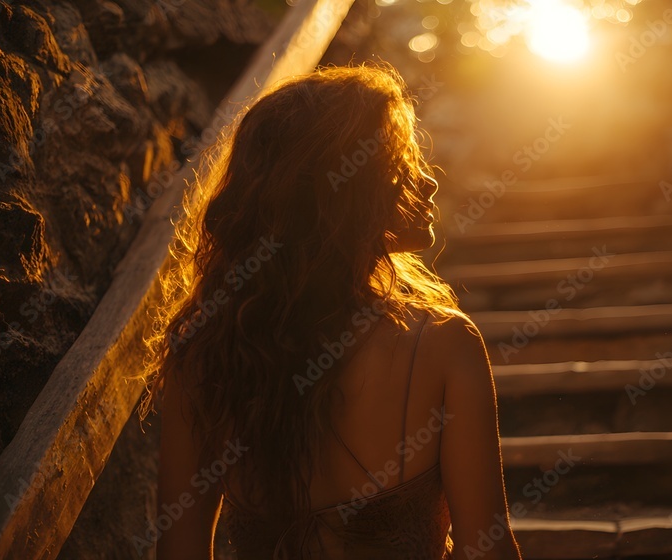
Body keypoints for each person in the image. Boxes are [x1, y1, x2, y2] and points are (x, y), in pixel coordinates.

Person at [141, 64, 522, 560]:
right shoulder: (444, 344)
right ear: (342, 188)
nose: (428, 181)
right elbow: (487, 550)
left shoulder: (205, 354)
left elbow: (179, 552)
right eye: (401, 163)